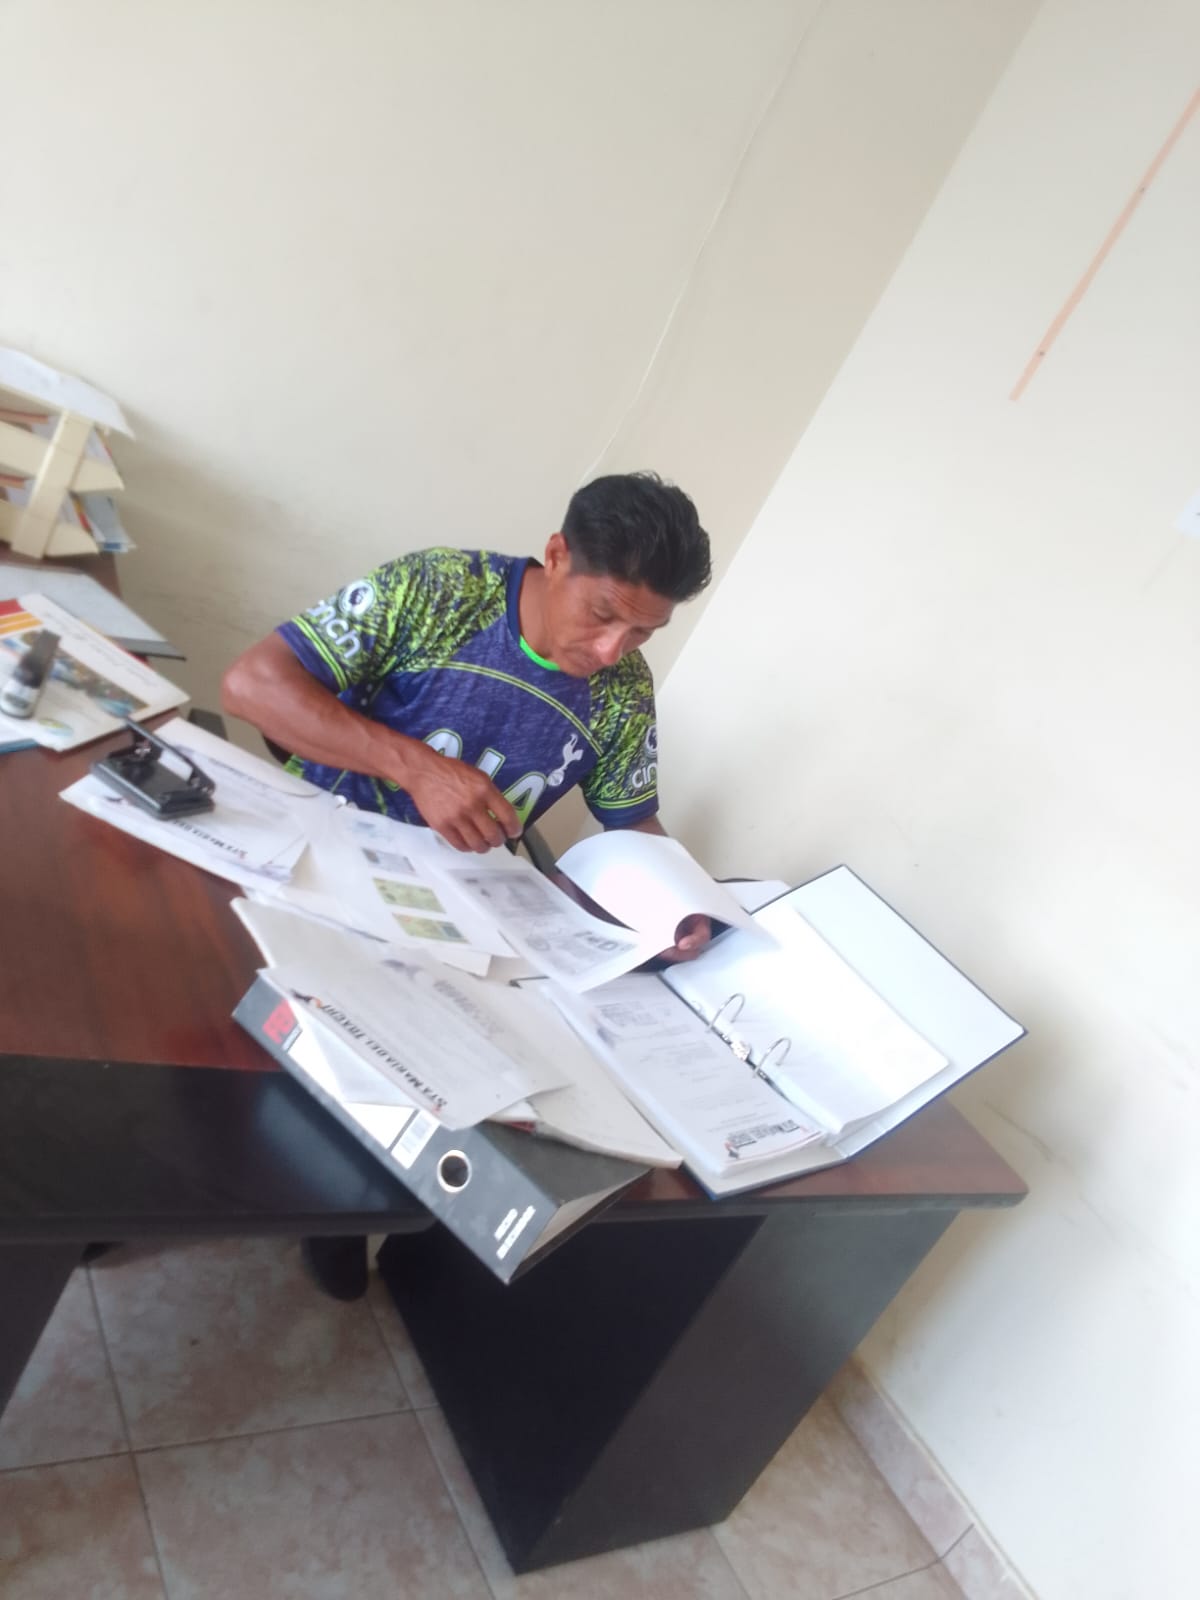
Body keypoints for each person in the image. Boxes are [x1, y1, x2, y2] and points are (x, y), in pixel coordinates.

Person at [221, 470, 713, 1297]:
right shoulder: (443, 589)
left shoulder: (623, 693)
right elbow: (250, 685)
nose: (611, 652)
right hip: (314, 852)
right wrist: (415, 767)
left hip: (451, 912)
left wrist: (677, 903)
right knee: (210, 1047)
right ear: (557, 555)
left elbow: (632, 824)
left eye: (642, 633)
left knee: (457, 1071)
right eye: (603, 615)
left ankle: (335, 1207)